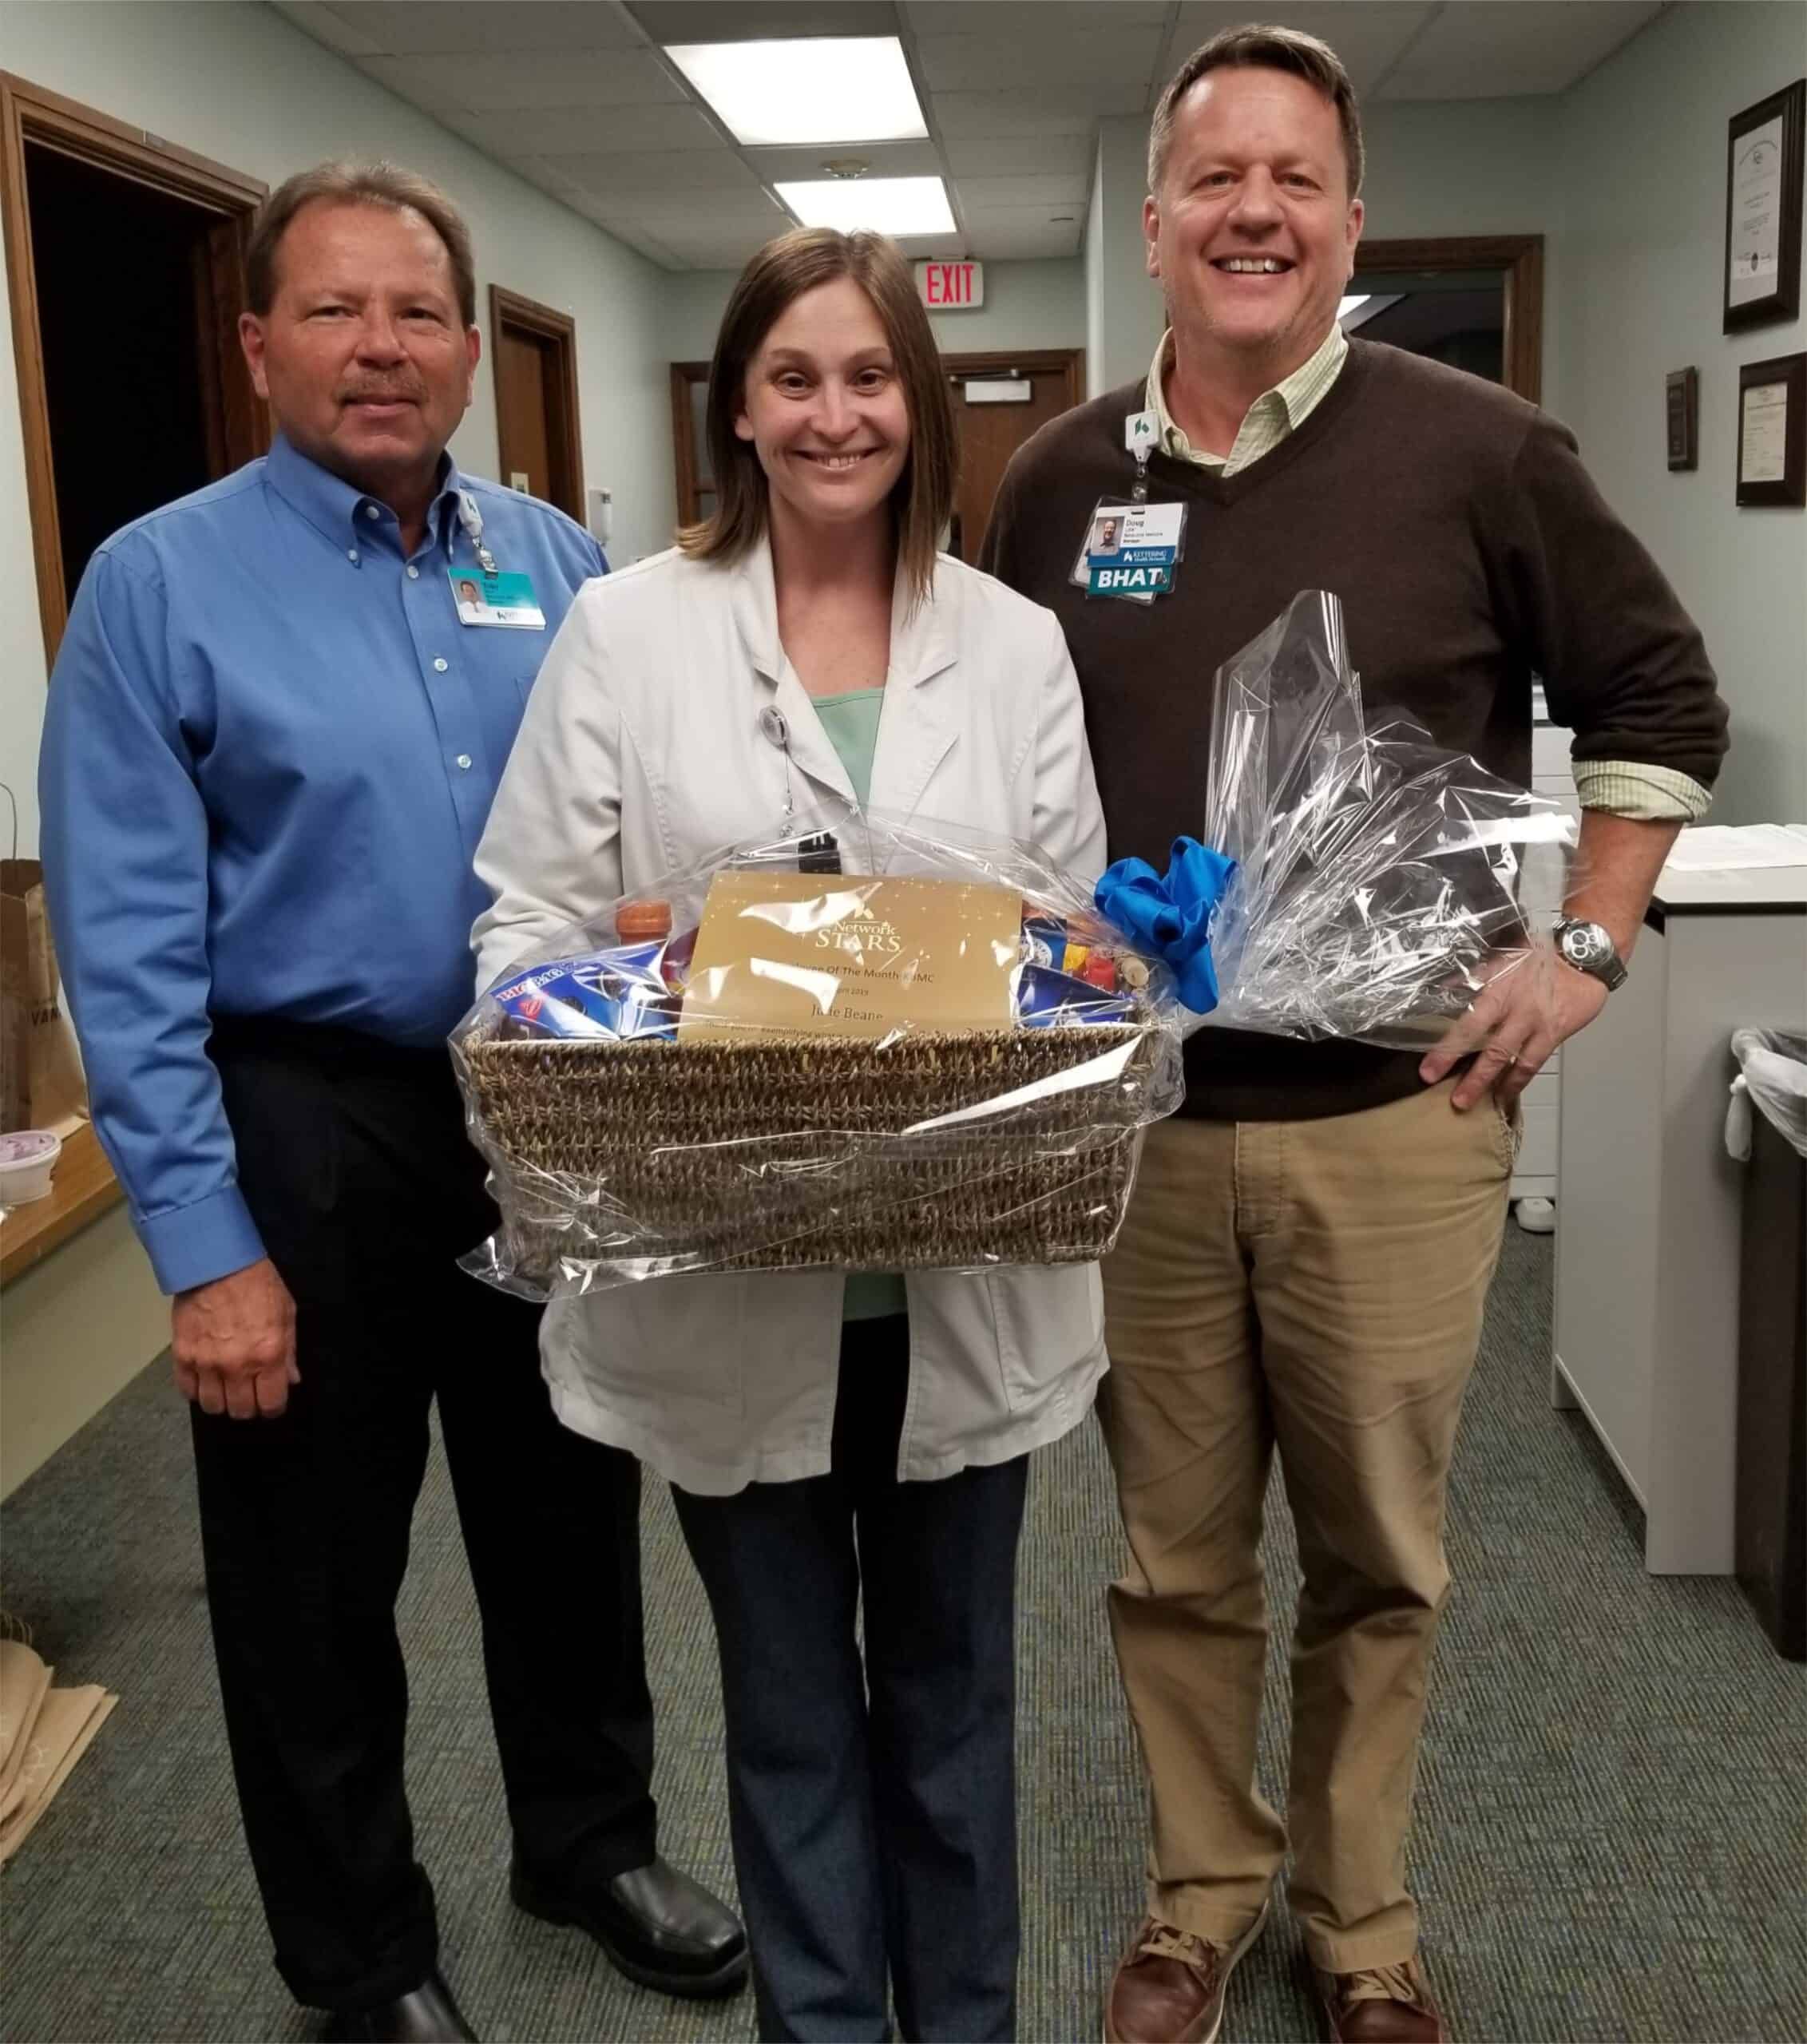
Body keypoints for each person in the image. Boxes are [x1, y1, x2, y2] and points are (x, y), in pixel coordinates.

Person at [980, 26, 1728, 2044]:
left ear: (1349, 222)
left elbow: (1665, 703)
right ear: (1151, 226)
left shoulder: (1479, 448)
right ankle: (1199, 1893)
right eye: (1215, 178)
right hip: (1136, 1123)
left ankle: (1363, 1921)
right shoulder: (1056, 482)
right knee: (1169, 1546)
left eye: (1295, 179)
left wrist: (1583, 943)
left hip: (1400, 1114)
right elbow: (986, 766)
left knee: (1384, 1549)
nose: (1255, 212)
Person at [38, 160, 744, 2044]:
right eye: (336, 311)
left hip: (535, 1105)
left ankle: (587, 1840)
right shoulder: (157, 582)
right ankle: (358, 1954)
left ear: (464, 347)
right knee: (309, 1573)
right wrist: (204, 1253)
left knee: (567, 1503)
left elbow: (635, 831)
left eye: (418, 312)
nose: (382, 348)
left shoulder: (558, 564)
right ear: (257, 337)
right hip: (305, 1118)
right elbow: (119, 946)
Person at [472, 226, 1108, 2043]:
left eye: (870, 375)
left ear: (918, 399)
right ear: (735, 407)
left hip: (956, 1278)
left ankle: (965, 2023)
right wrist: (664, 958)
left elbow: (1066, 955)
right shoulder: (626, 631)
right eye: (794, 377)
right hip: (724, 1280)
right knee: (791, 1720)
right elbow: (520, 937)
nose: (835, 414)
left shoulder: (1011, 644)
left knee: (956, 1710)